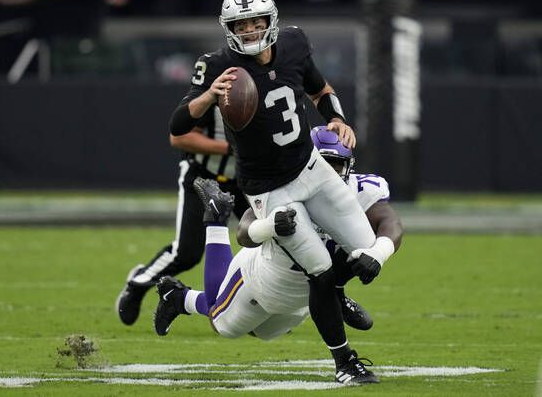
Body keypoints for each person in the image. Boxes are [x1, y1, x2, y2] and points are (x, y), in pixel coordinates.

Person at [169, 0, 386, 383]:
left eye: (255, 22)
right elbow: (178, 124)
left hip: (311, 168)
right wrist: (208, 97)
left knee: (366, 250)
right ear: (229, 28)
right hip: (269, 190)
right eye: (241, 25)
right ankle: (345, 363)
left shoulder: (294, 43)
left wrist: (336, 118)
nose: (250, 31)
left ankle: (334, 293)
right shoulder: (218, 65)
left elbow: (320, 89)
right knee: (317, 270)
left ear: (271, 21)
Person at [154, 127, 403, 385]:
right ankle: (214, 222)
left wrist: (378, 253)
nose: (327, 174)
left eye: (335, 166)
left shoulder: (361, 191)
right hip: (260, 279)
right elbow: (244, 234)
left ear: (349, 166)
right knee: (222, 323)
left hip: (304, 299)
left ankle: (336, 293)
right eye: (322, 164)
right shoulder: (283, 185)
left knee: (264, 332)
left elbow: (390, 223)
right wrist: (271, 225)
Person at [116, 110, 250, 326]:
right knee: (187, 253)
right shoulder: (212, 92)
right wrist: (229, 148)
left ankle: (261, 309)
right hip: (203, 176)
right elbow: (179, 137)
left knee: (265, 241)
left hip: (247, 178)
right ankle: (138, 283)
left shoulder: (272, 86)